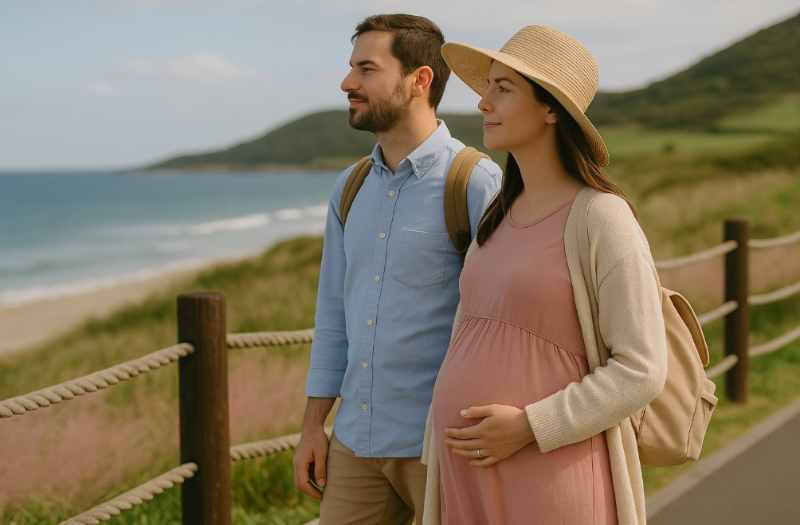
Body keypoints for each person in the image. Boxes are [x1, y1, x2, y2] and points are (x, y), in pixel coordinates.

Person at [421, 26, 669, 525]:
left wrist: (530, 426)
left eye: (503, 89)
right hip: (467, 470)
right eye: (486, 87)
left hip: (547, 471)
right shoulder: (496, 214)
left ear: (552, 108)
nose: (483, 103)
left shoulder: (601, 217)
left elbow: (642, 368)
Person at [293, 13, 502, 525]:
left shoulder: (477, 183)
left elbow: (506, 323)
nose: (348, 84)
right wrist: (313, 426)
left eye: (367, 69)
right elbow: (333, 316)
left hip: (444, 443)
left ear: (419, 81)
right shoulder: (349, 186)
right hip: (355, 442)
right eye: (351, 69)